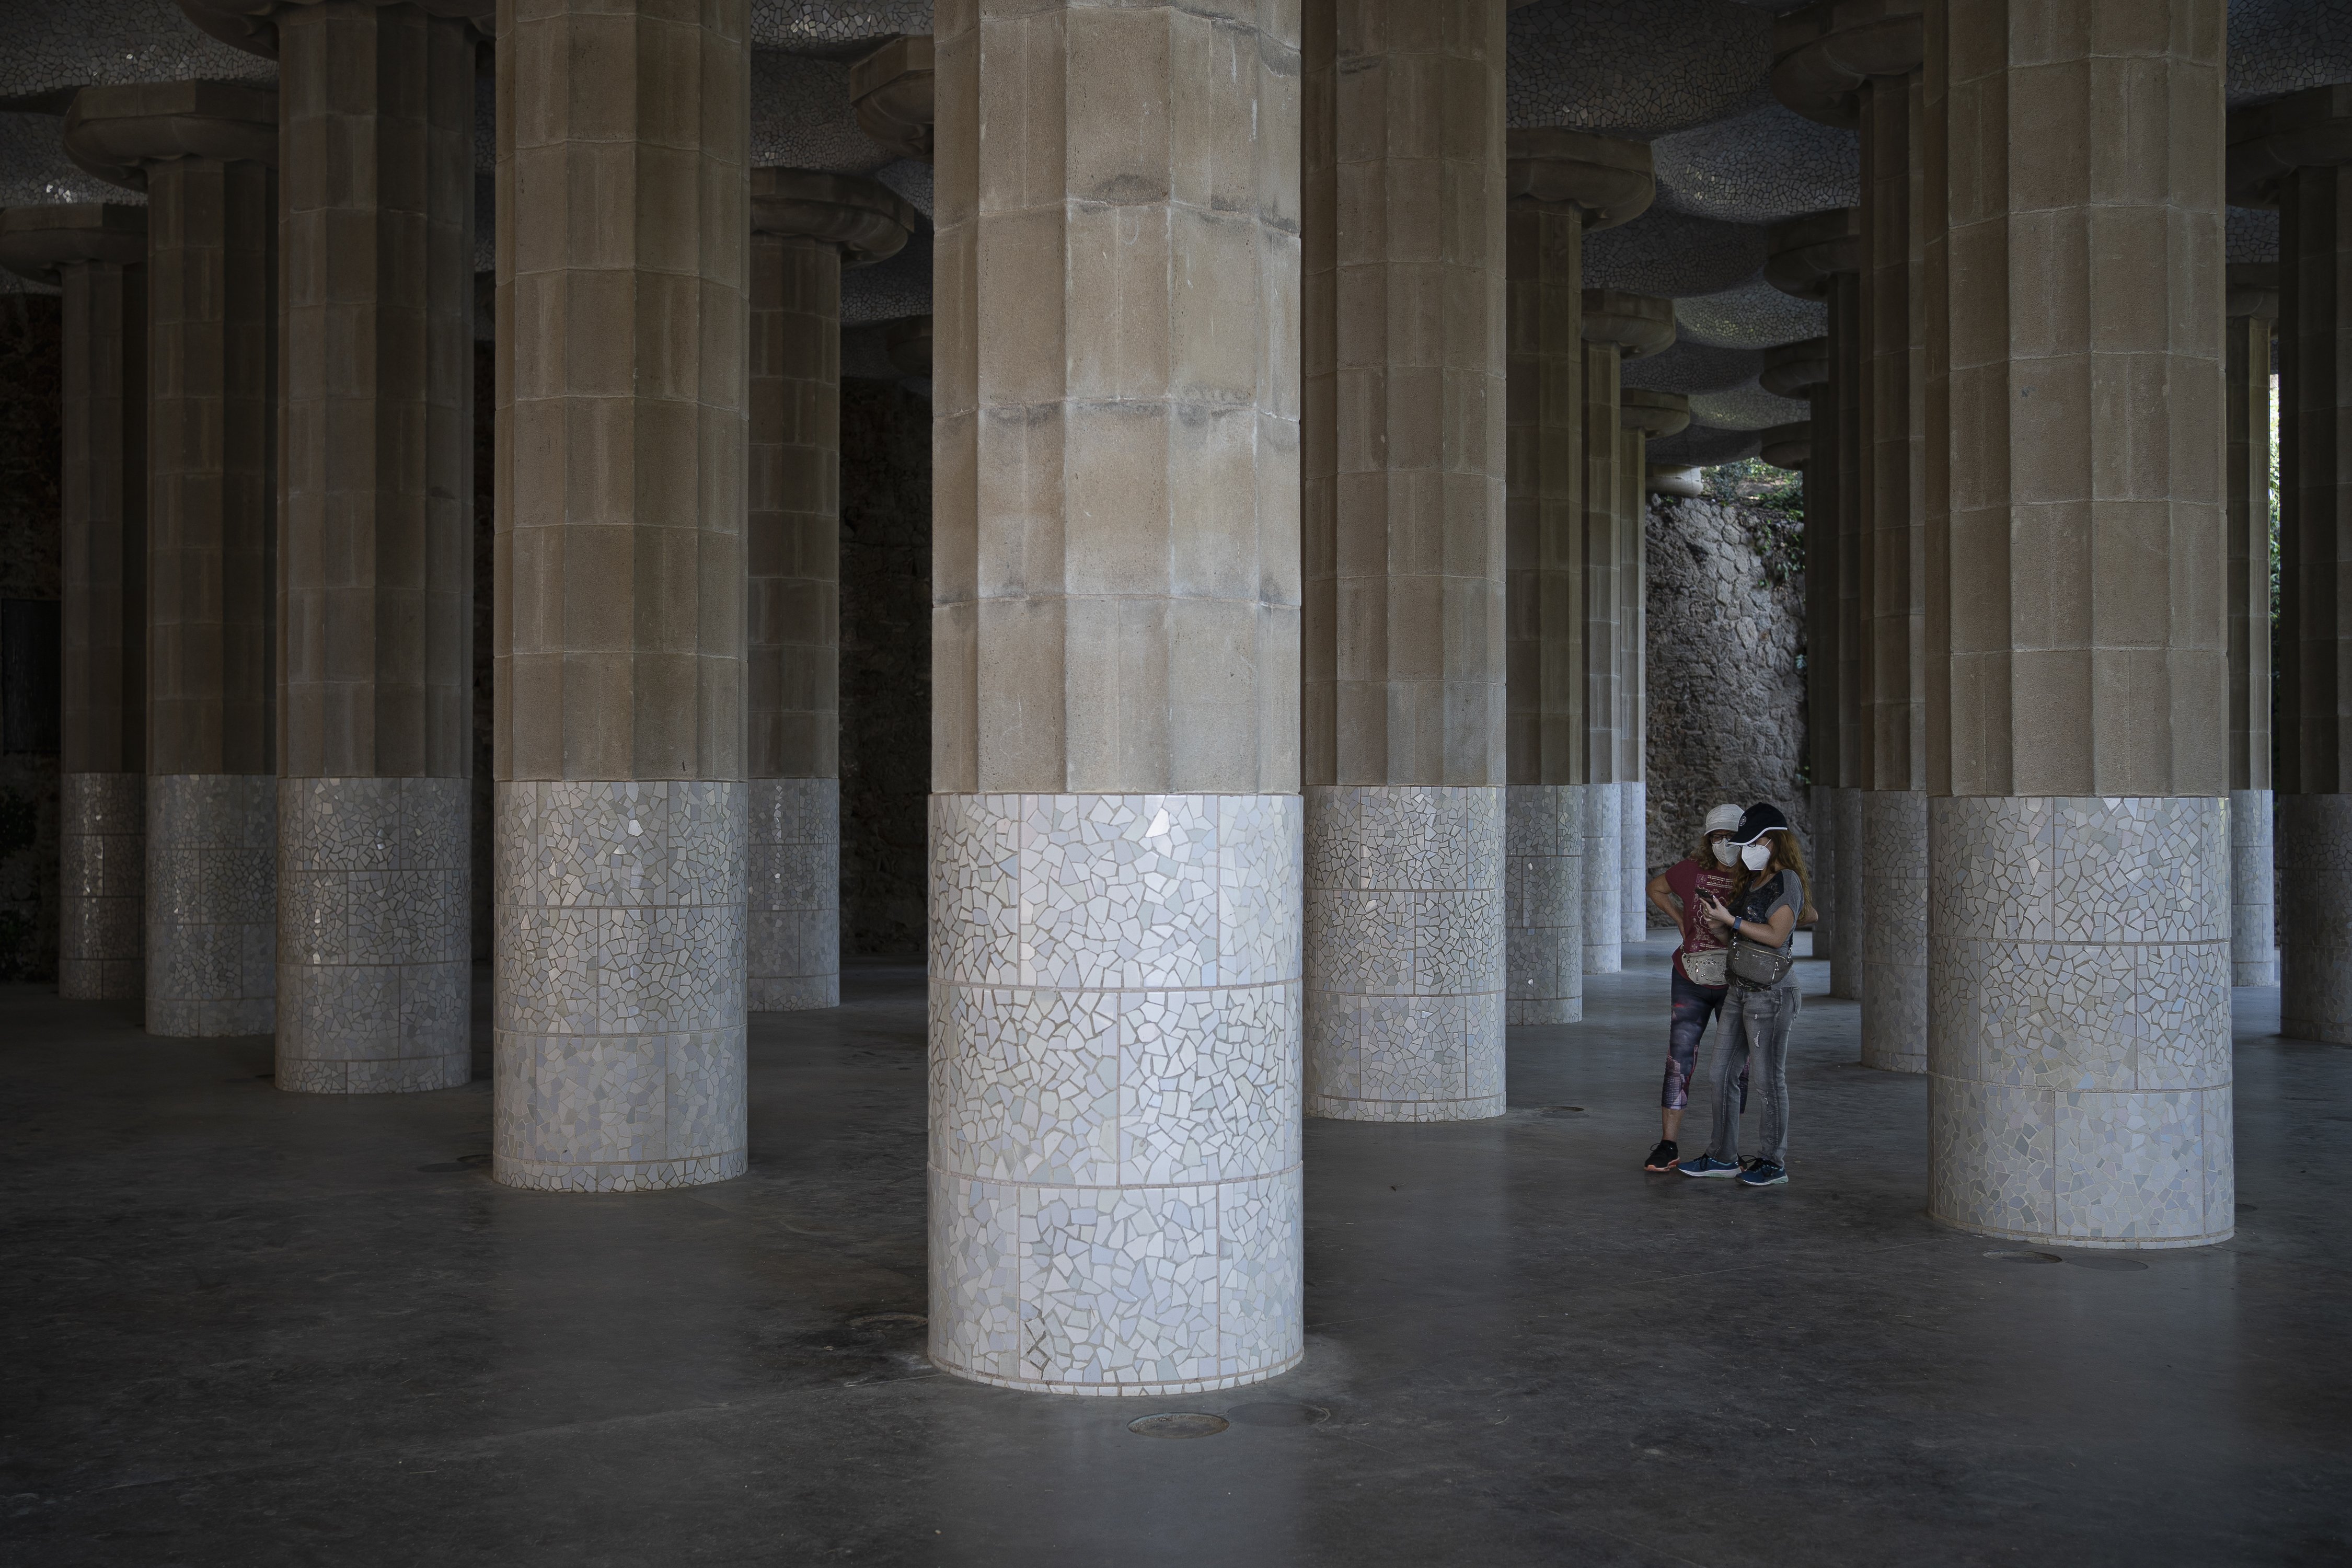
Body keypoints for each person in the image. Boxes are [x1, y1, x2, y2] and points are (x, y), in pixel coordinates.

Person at [1678, 802, 1813, 1188]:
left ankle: (1773, 1162)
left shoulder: (1786, 880)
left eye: (1751, 842)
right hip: (1739, 990)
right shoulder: (1750, 881)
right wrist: (1716, 919)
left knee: (1769, 1080)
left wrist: (1733, 920)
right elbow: (1733, 935)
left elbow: (1776, 935)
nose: (1745, 850)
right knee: (1721, 1072)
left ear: (1771, 841)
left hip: (1772, 995)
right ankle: (1723, 1156)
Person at [1639, 802, 1744, 1172]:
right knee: (1679, 1060)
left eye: (1732, 836)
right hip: (1691, 979)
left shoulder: (1756, 875)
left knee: (1737, 1066)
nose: (1725, 843)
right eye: (1718, 836)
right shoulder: (1690, 870)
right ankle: (1668, 1144)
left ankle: (1728, 1147)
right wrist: (1681, 924)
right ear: (1708, 839)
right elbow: (1657, 888)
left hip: (1738, 981)